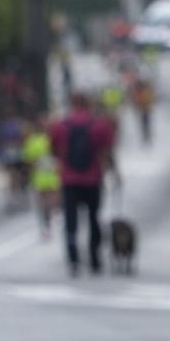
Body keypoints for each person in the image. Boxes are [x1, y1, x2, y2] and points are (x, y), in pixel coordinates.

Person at [48, 92, 115, 276]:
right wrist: (114, 171)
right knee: (94, 218)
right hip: (93, 179)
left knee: (71, 220)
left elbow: (53, 149)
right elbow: (107, 149)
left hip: (69, 179)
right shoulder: (99, 125)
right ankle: (94, 258)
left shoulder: (60, 126)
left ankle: (73, 259)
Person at [22, 119, 60, 239]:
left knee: (45, 203)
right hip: (49, 176)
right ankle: (49, 220)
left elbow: (28, 160)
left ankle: (47, 222)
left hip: (42, 177)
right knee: (50, 201)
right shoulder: (50, 139)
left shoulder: (32, 141)